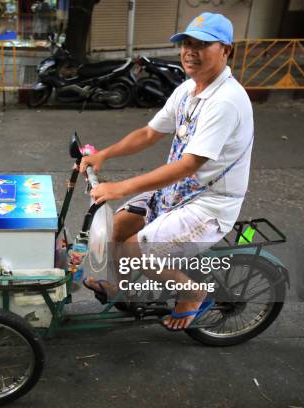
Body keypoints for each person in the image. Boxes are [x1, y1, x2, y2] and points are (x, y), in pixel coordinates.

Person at [80, 12, 254, 330]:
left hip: (208, 204)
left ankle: (193, 292)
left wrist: (120, 187)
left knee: (137, 251)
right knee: (117, 227)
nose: (191, 51)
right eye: (187, 43)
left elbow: (190, 165)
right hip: (178, 191)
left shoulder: (225, 101)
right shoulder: (188, 90)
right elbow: (149, 133)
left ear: (226, 50)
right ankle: (117, 285)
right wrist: (104, 154)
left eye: (203, 44)